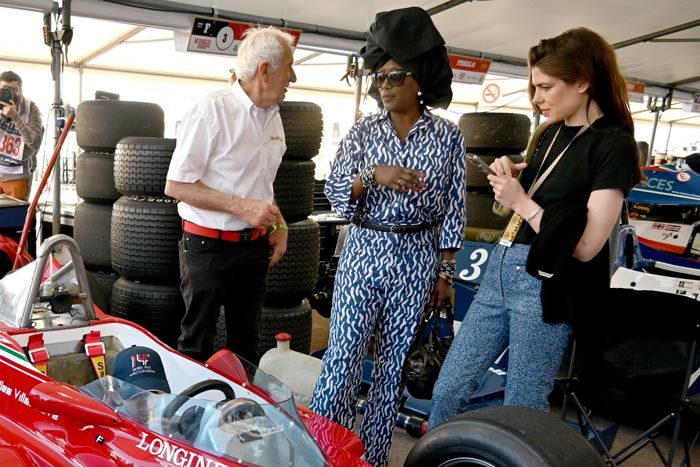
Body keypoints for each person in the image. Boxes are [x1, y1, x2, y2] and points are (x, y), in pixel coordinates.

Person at [429, 27, 641, 428]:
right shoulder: (547, 133)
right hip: (501, 268)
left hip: (547, 284)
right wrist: (510, 181)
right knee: (448, 388)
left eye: (546, 87)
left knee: (522, 407)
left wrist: (521, 201)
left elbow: (587, 246)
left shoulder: (614, 144)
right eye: (533, 86)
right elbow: (526, 208)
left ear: (582, 81)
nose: (536, 98)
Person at [309, 7, 466, 466]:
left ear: (418, 80)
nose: (384, 84)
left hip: (417, 255)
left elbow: (454, 208)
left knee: (393, 368)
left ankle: (374, 458)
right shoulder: (362, 132)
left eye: (395, 76)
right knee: (342, 360)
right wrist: (371, 176)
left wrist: (445, 272)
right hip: (364, 249)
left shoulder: (448, 137)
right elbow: (337, 193)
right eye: (380, 76)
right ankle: (322, 451)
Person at [165, 27, 296, 364]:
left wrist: (279, 225)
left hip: (254, 248)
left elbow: (261, 186)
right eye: (289, 67)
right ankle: (191, 416)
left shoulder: (274, 117)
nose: (292, 77)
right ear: (265, 70)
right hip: (207, 248)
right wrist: (241, 207)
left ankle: (240, 416)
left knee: (246, 345)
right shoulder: (209, 111)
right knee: (196, 343)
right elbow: (177, 185)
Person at [0, 71, 44, 201]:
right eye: (5, 90)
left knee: (14, 217)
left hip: (18, 175)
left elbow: (35, 143)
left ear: (21, 90)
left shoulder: (31, 108)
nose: (10, 94)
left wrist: (15, 117)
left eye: (14, 90)